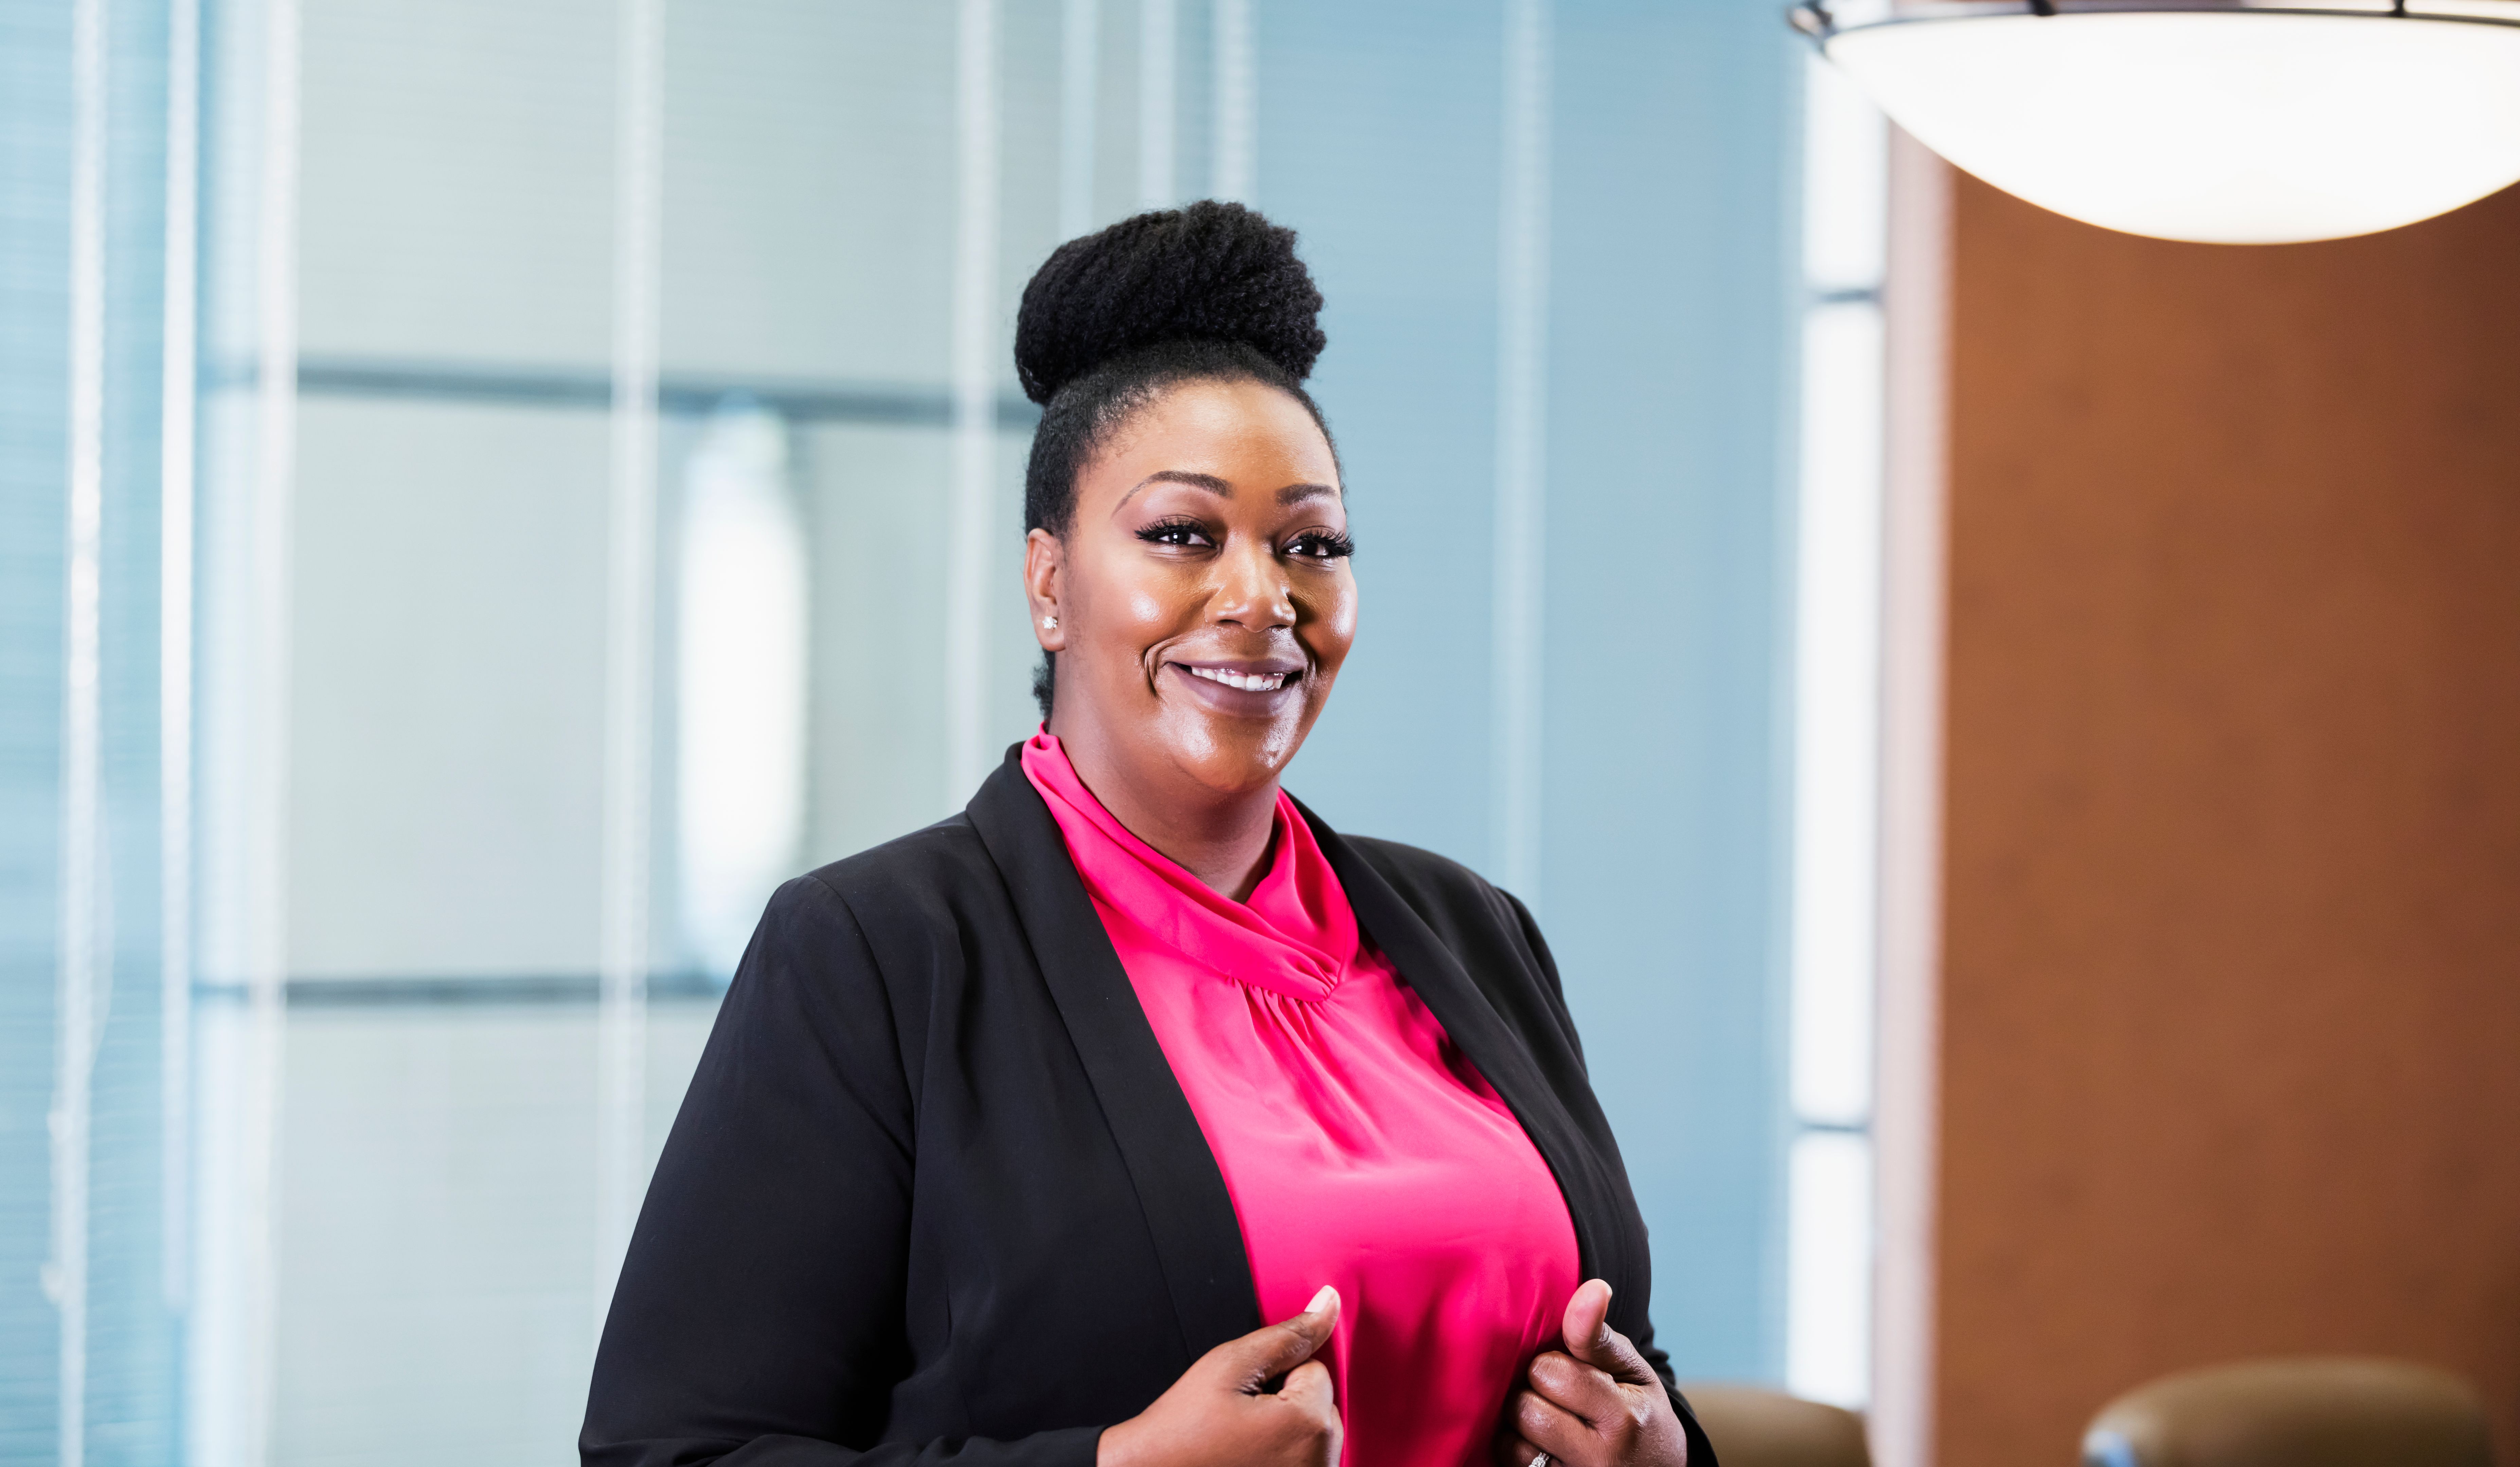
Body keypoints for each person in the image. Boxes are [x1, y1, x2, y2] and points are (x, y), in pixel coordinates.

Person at [580, 201, 1716, 1467]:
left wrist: (1662, 1450)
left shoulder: (1473, 930)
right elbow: (672, 1452)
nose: (1260, 596)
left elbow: (1620, 1353)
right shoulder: (879, 949)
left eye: (1312, 544)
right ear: (1050, 583)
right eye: (1182, 534)